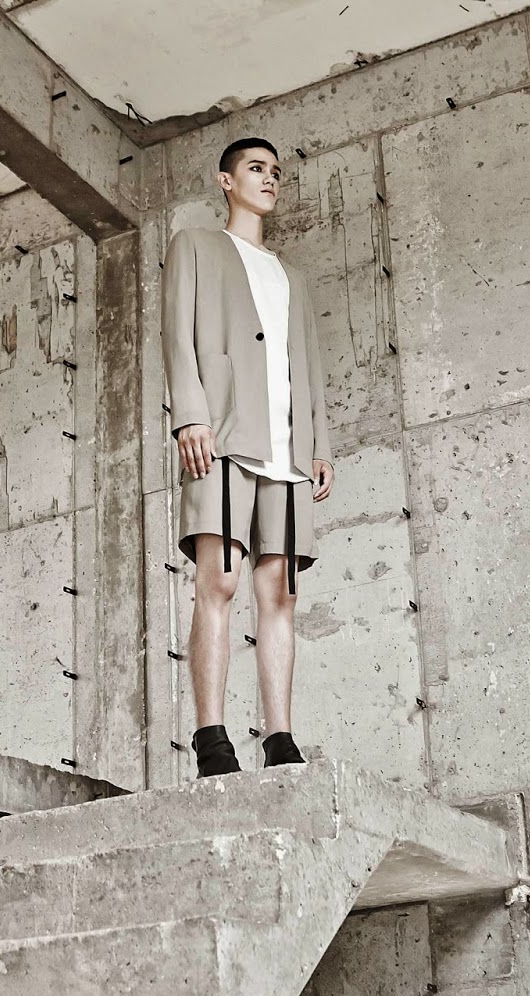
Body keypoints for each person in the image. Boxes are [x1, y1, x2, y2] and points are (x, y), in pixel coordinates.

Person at [162, 137, 335, 778]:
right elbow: (176, 333)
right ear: (226, 181)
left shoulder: (293, 277)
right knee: (220, 582)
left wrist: (319, 445)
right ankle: (212, 739)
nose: (269, 180)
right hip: (225, 437)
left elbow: (309, 367)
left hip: (288, 455)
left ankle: (280, 739)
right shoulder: (195, 246)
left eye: (275, 172)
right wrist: (191, 414)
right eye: (256, 169)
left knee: (280, 593)